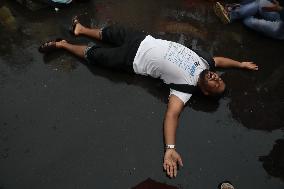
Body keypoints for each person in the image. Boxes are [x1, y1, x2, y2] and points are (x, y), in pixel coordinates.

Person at [38, 16, 258, 178]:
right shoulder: (205, 63)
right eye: (219, 78)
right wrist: (240, 64)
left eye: (215, 84)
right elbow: (219, 61)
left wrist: (170, 150)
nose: (216, 78)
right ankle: (81, 29)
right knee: (109, 32)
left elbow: (172, 115)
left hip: (131, 59)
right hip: (142, 39)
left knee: (93, 55)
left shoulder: (185, 89)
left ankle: (63, 45)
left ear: (206, 92)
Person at [214, 0, 284, 40]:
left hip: (281, 30)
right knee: (261, 2)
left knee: (249, 22)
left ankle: (238, 9)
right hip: (280, 14)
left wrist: (279, 9)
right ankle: (231, 15)